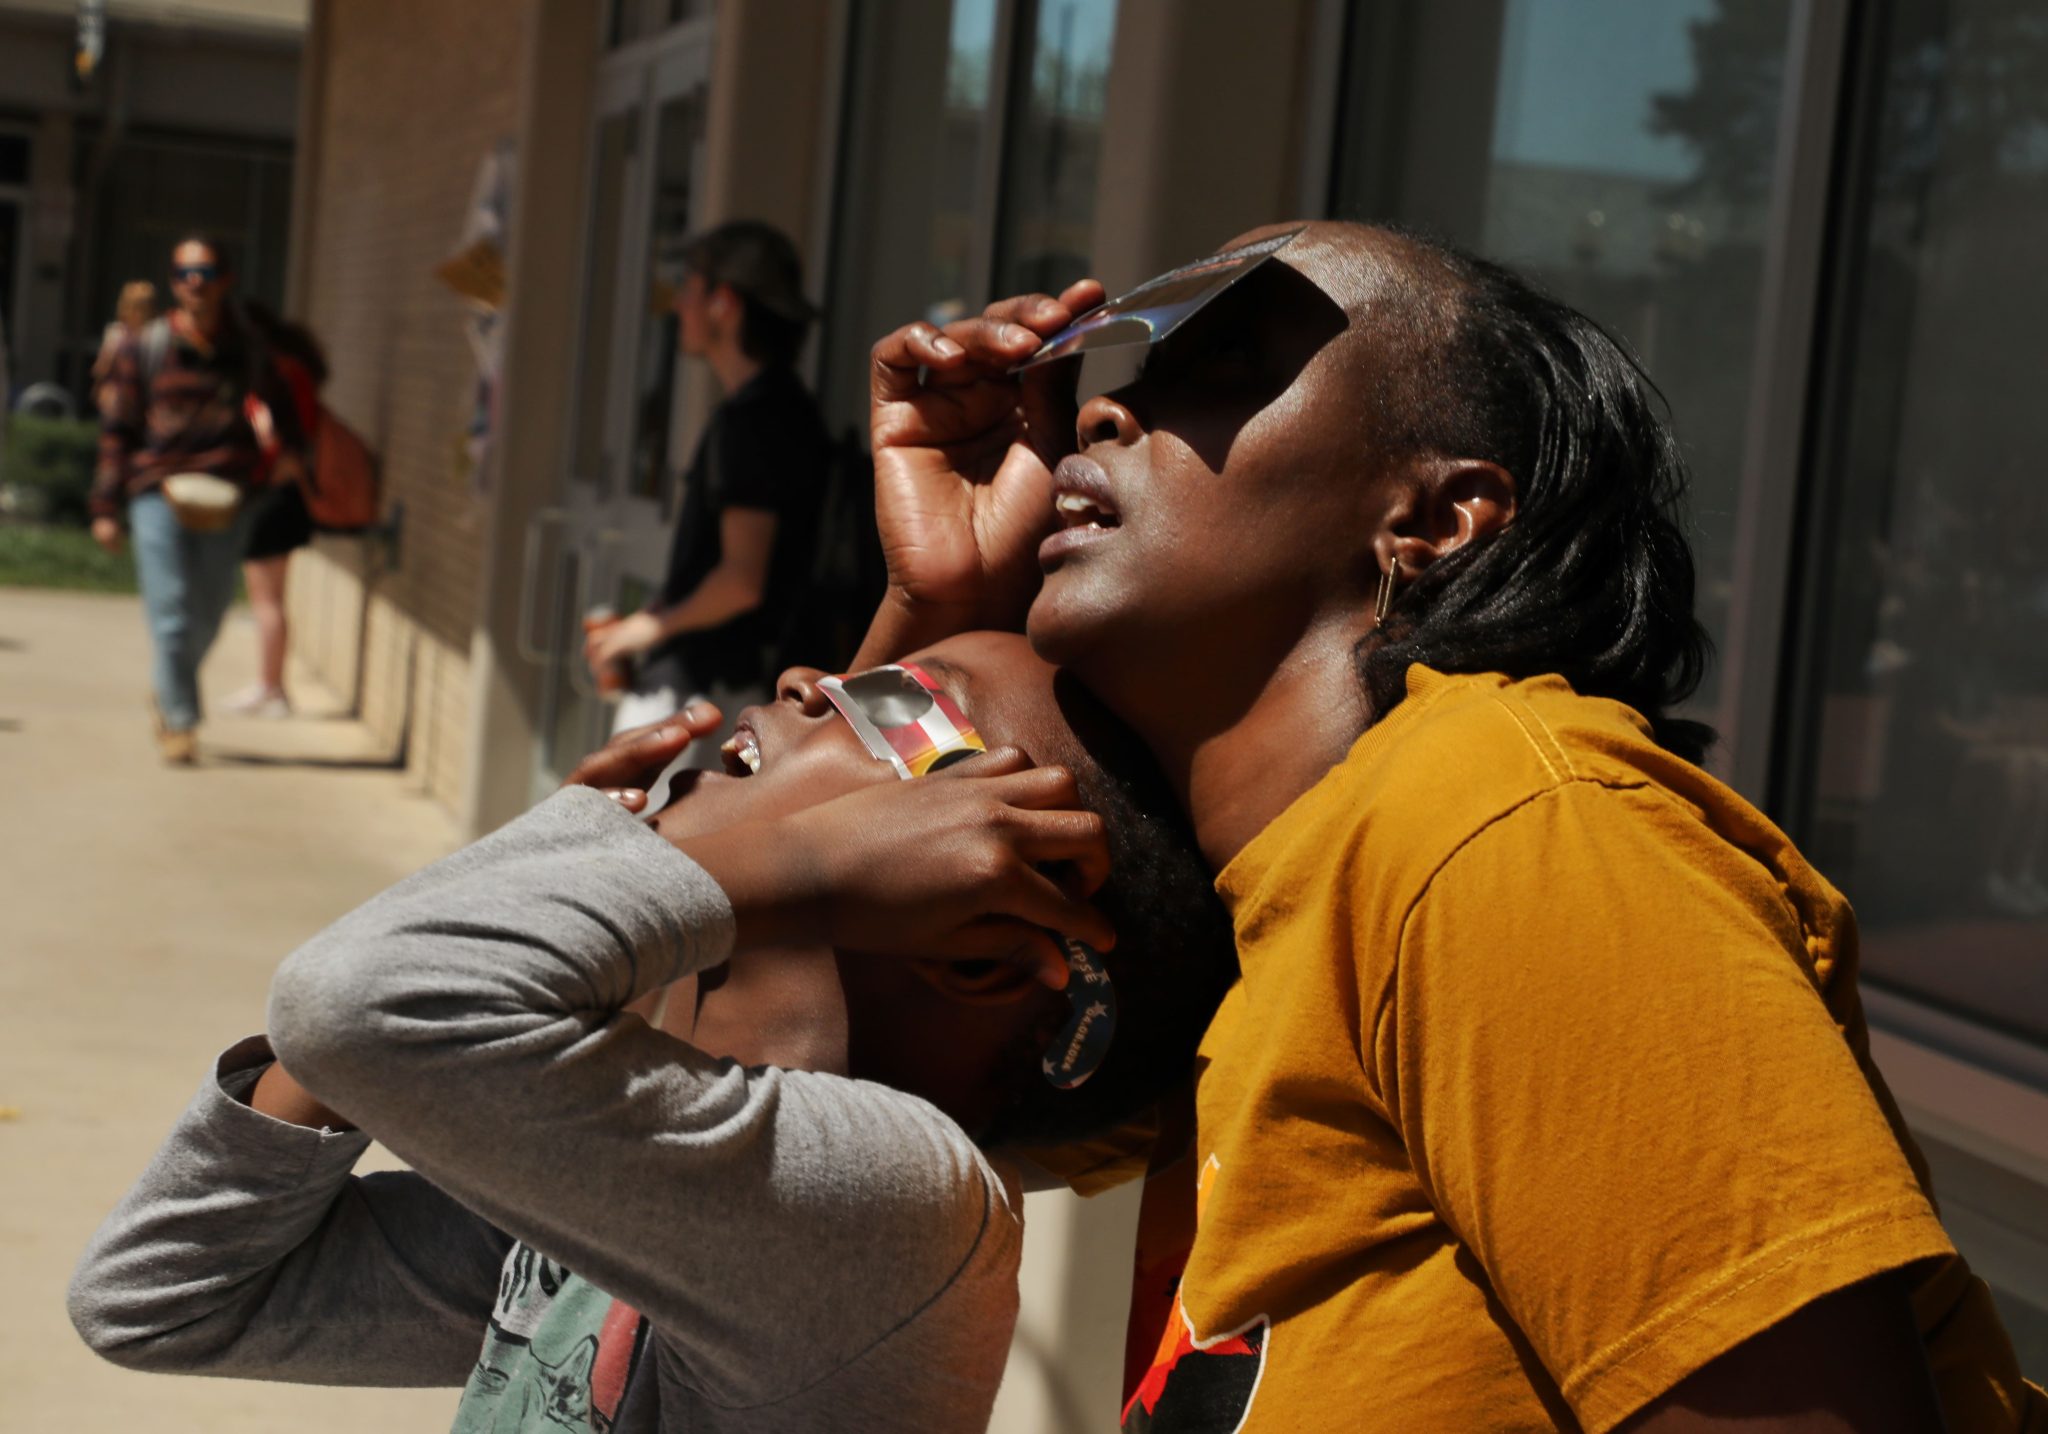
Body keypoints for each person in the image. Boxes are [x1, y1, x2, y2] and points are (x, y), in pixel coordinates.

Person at [855, 223, 2048, 1431]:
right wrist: (941, 600)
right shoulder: (1271, 896)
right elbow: (829, 1064)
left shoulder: (1504, 824)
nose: (1103, 416)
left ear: (1431, 521)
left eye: (1220, 369)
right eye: (1121, 379)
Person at [69, 630, 1239, 1432]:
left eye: (892, 700)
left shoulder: (903, 1217)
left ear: (978, 937)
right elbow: (163, 1295)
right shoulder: (632, 1176)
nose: (800, 679)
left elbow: (355, 1004)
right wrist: (582, 892)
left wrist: (743, 862)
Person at [584, 220, 832, 758]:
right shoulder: (782, 409)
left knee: (628, 839)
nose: (678, 307)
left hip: (702, 692)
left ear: (724, 302)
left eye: (689, 289)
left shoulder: (756, 421)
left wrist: (644, 629)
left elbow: (741, 581)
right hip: (727, 688)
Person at [90, 234, 303, 764]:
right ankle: (180, 721)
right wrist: (105, 507)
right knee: (172, 616)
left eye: (204, 273)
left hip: (228, 497)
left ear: (224, 280)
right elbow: (118, 429)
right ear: (172, 282)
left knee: (208, 613)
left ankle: (168, 684)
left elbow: (286, 410)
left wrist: (291, 455)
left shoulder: (248, 350)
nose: (193, 283)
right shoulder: (146, 346)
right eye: (183, 273)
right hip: (156, 493)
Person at [222, 301, 326, 719]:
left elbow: (267, 437)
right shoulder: (297, 371)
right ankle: (272, 686)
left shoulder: (270, 378)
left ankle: (271, 688)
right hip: (289, 496)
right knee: (272, 598)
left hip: (272, 494)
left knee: (265, 600)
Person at [91, 280, 157, 398]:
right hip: (119, 392)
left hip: (146, 393)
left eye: (146, 307)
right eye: (137, 307)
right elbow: (102, 367)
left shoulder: (155, 333)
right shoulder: (117, 332)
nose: (141, 312)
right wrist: (98, 387)